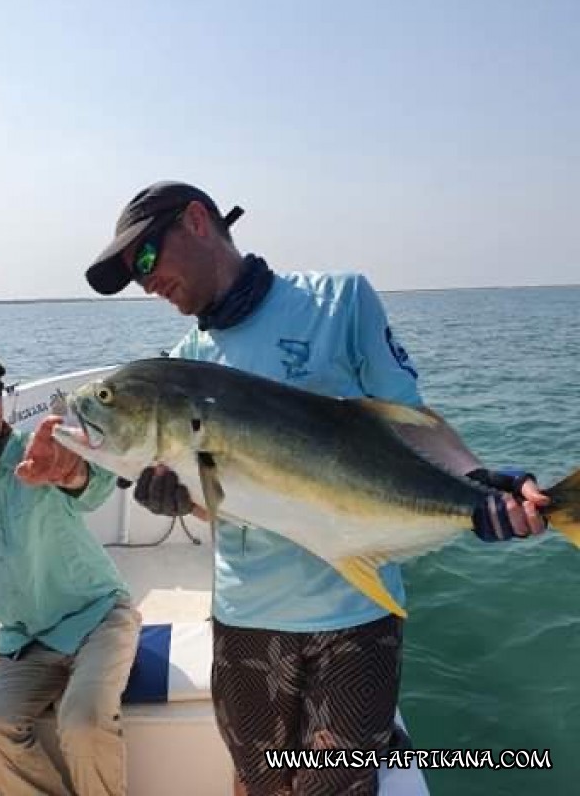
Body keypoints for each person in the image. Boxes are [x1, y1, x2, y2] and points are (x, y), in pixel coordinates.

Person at [85, 182, 549, 795]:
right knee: (260, 785)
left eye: (145, 258)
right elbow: (221, 499)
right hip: (246, 618)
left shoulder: (339, 301)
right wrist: (180, 497)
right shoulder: (185, 362)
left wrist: (479, 485)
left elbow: (411, 419)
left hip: (355, 617)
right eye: (132, 277)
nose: (147, 284)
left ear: (197, 221)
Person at [0, 346, 141, 796]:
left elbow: (93, 487)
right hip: (22, 638)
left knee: (84, 721)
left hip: (98, 619)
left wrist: (71, 474)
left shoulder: (38, 450)